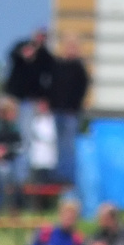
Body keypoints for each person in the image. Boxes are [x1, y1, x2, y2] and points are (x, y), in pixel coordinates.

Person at [4, 30, 55, 184]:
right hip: (16, 100)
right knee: (15, 137)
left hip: (31, 103)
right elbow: (12, 55)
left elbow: (49, 78)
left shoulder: (45, 57)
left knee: (27, 140)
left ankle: (23, 176)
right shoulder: (21, 48)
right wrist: (23, 53)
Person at [48, 37, 89, 185]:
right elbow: (52, 86)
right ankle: (60, 175)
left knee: (70, 145)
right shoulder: (58, 65)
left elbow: (82, 89)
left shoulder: (79, 67)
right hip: (58, 110)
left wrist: (74, 106)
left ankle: (70, 177)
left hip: (71, 112)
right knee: (59, 144)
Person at [27, 100, 59, 186]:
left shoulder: (52, 119)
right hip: (38, 155)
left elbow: (53, 135)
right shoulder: (35, 120)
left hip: (50, 154)